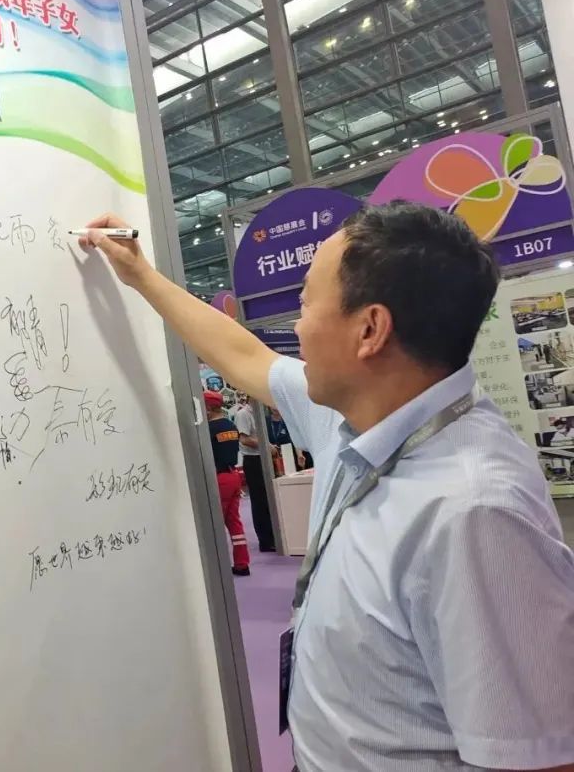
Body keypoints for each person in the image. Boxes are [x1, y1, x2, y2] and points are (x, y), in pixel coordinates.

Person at [79, 202, 574, 772]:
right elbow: (245, 356)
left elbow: (540, 756)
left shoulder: (474, 511)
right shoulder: (358, 413)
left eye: (306, 303)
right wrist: (141, 274)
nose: (297, 326)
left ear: (370, 330)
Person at [204, 390, 250, 576]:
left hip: (219, 478)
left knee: (215, 523)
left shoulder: (208, 430)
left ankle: (218, 569)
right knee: (234, 522)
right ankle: (242, 563)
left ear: (208, 407)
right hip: (234, 476)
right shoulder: (230, 426)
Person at [233, 397, 278, 551]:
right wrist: (266, 446)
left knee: (269, 499)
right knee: (260, 501)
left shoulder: (259, 414)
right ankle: (265, 541)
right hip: (253, 461)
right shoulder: (243, 414)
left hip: (264, 458)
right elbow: (244, 439)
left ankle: (274, 536)